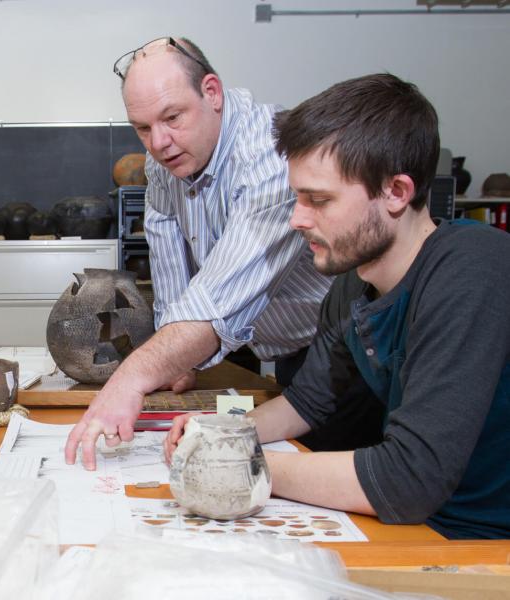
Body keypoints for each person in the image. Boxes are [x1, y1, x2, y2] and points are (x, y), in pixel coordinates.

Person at [166, 73, 510, 539]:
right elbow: (306, 404)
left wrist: (240, 462)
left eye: (319, 200)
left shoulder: (472, 268)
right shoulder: (352, 285)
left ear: (396, 192)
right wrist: (223, 431)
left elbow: (408, 477)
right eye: (296, 197)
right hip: (417, 527)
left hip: (481, 545)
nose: (297, 219)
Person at [65, 37, 336, 469]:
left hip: (329, 349)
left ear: (212, 92)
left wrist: (130, 379)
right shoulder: (164, 161)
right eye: (142, 128)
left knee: (321, 471)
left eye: (173, 117)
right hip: (269, 349)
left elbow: (214, 302)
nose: (159, 142)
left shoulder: (271, 154)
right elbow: (169, 255)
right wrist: (175, 362)